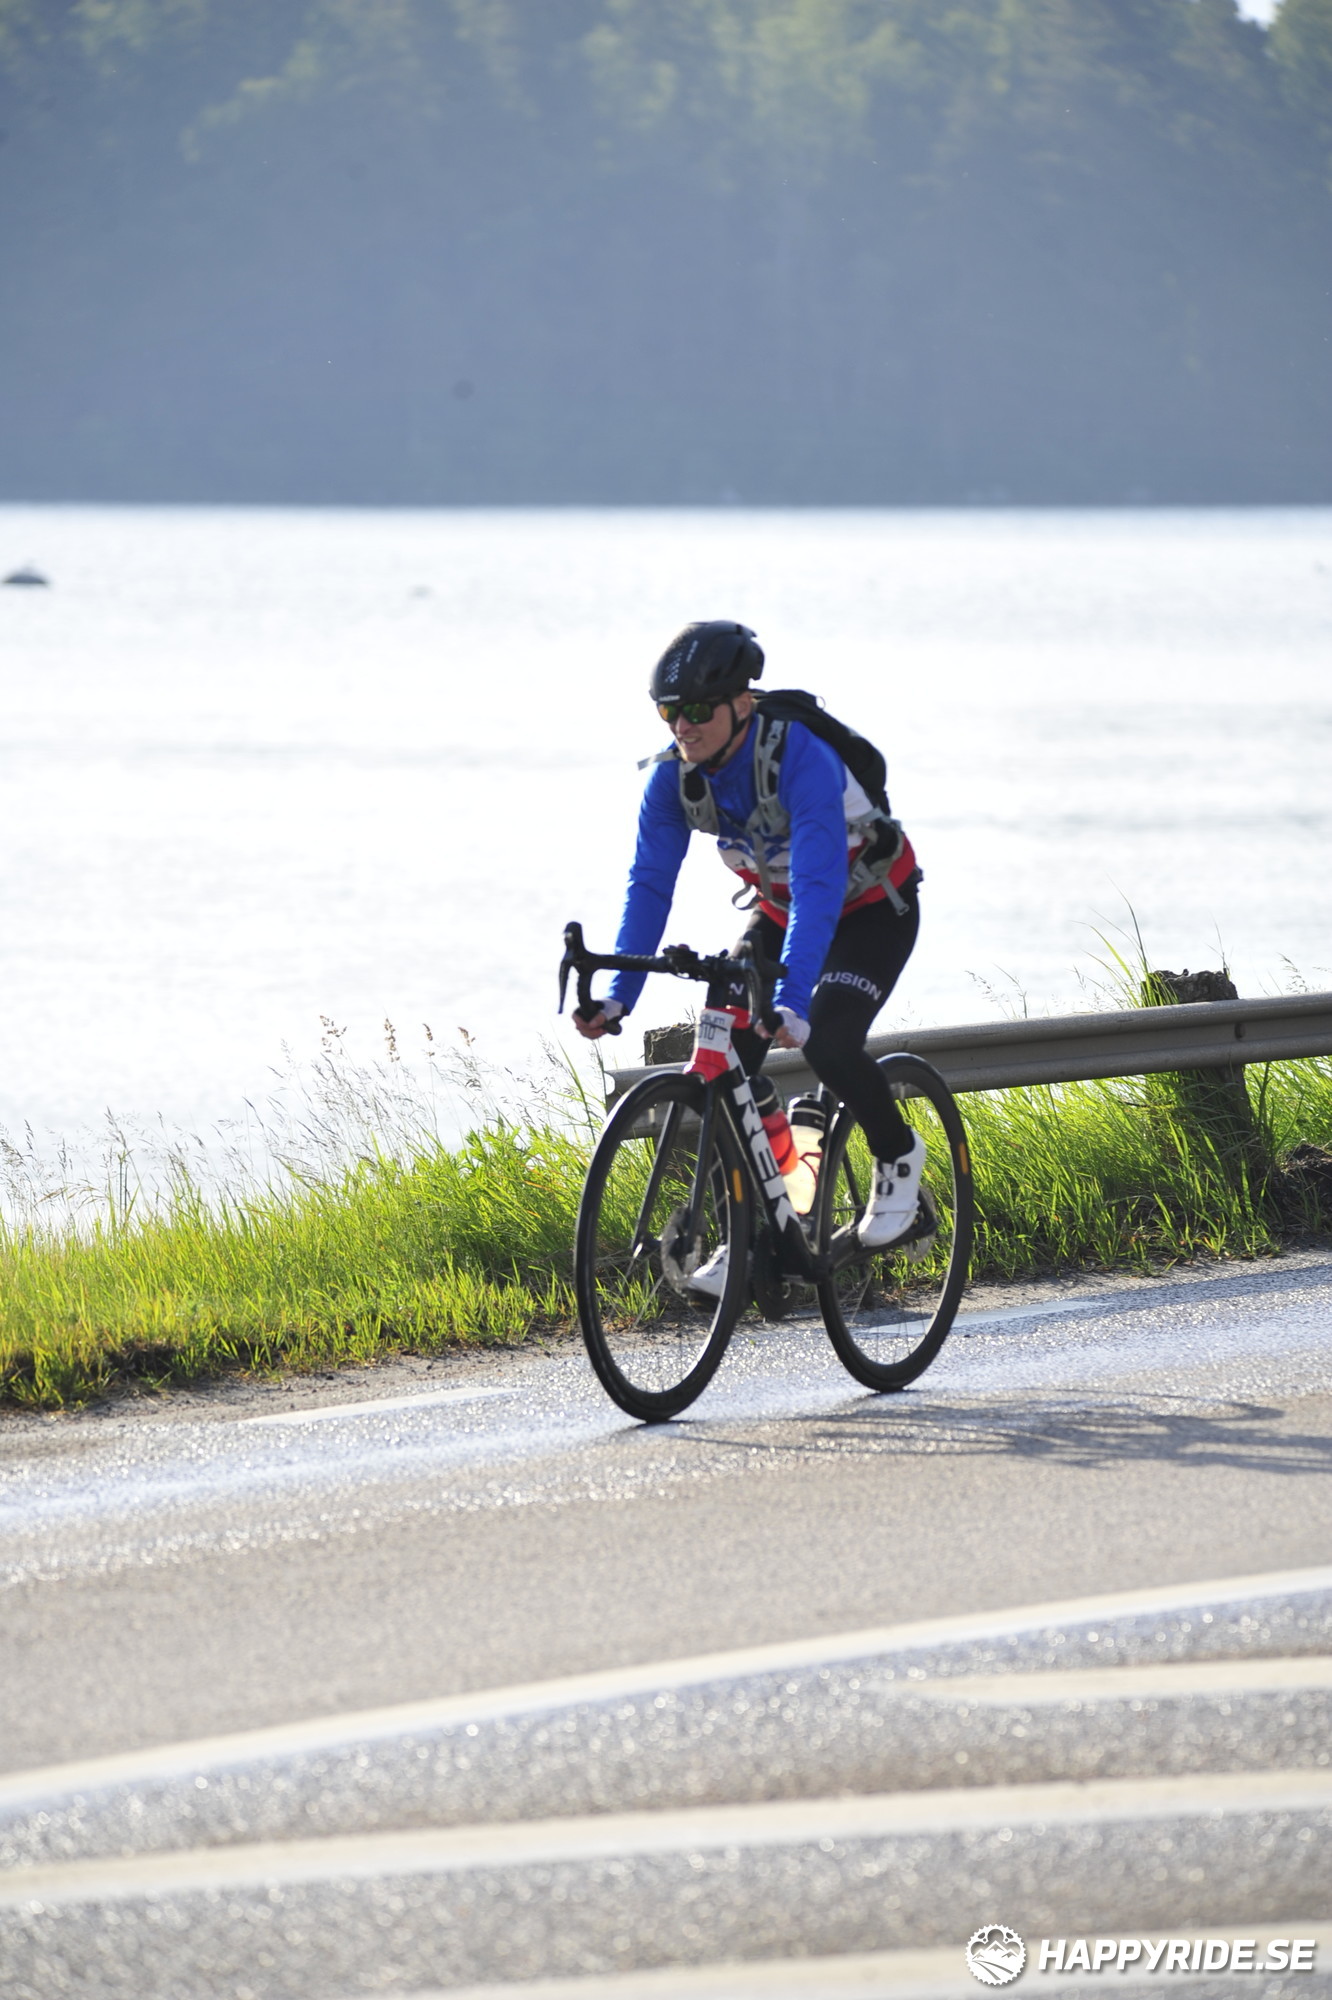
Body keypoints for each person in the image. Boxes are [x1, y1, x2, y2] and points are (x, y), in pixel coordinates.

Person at [574, 619, 924, 1289]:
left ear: (742, 704)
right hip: (784, 913)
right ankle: (755, 1229)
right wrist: (618, 996)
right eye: (669, 712)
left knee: (829, 1040)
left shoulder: (800, 758)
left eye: (699, 710)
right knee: (721, 1060)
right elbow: (650, 885)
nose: (684, 726)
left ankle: (899, 1155)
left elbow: (819, 886)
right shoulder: (674, 779)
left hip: (872, 909)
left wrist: (792, 1002)